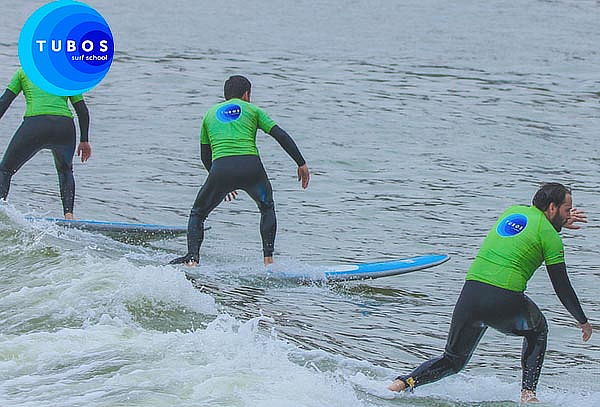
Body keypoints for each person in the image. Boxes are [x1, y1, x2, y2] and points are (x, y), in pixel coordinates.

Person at [388, 183, 592, 403]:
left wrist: (558, 223)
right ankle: (528, 394)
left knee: (452, 360)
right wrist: (582, 320)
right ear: (552, 208)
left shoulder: (512, 212)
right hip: (503, 299)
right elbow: (561, 286)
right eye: (566, 210)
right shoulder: (551, 238)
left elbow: (531, 230)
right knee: (538, 330)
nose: (570, 214)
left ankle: (400, 384)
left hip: (471, 294)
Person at [170, 75, 309, 266]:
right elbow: (280, 135)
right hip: (251, 168)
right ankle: (268, 261)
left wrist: (219, 181)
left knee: (198, 214)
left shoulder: (210, 114)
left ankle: (193, 259)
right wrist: (300, 163)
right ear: (246, 94)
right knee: (266, 207)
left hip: (221, 169)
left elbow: (205, 155)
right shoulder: (253, 110)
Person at [0, 67, 91, 219]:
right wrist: (84, 140)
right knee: (65, 170)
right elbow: (82, 111)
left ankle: (1, 210)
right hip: (65, 127)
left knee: (5, 170)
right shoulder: (65, 74)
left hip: (36, 125)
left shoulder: (24, 72)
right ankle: (69, 214)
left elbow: (4, 102)